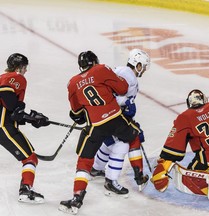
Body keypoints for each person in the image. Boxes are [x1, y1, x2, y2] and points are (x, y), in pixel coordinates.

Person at [58, 51, 140, 215]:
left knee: (84, 160)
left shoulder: (72, 83)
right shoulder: (101, 69)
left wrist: (81, 115)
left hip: (95, 125)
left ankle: (77, 198)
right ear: (95, 61)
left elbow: (76, 112)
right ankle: (138, 175)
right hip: (115, 119)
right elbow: (123, 88)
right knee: (134, 135)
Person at [90, 49, 150, 195]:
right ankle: (114, 180)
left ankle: (96, 168)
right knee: (124, 143)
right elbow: (108, 94)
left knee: (111, 141)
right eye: (144, 66)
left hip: (107, 114)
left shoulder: (123, 72)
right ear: (138, 65)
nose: (144, 70)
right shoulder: (127, 75)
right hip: (110, 115)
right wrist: (126, 101)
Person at [0, 53, 50, 204]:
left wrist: (30, 118)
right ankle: (26, 191)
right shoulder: (15, 77)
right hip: (4, 127)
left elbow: (12, 111)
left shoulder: (3, 76)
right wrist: (29, 116)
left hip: (5, 124)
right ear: (19, 67)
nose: (25, 70)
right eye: (24, 67)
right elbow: (10, 105)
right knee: (30, 157)